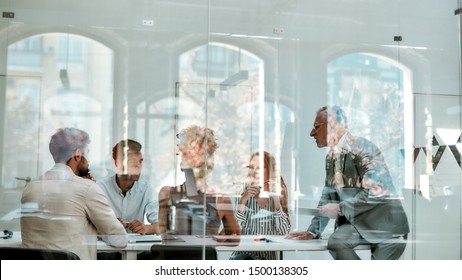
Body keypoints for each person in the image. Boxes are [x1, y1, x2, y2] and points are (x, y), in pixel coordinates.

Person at [286, 105, 409, 260]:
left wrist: (340, 208)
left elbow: (375, 190)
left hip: (387, 228)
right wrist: (313, 230)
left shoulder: (363, 148)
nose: (312, 133)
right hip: (360, 223)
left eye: (316, 127)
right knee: (337, 242)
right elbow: (328, 195)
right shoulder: (331, 156)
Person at [20, 128, 127, 260]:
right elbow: (120, 239)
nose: (88, 161)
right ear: (77, 154)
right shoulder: (87, 188)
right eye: (87, 154)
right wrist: (98, 228)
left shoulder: (30, 187)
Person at [158, 125, 240, 239]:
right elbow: (162, 232)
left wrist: (217, 239)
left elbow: (235, 238)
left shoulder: (221, 199)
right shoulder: (167, 193)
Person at [230, 151, 290, 260]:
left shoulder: (278, 191)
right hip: (243, 256)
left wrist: (276, 201)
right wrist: (243, 201)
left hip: (267, 259)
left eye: (259, 168)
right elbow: (233, 232)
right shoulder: (242, 190)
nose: (254, 172)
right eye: (251, 167)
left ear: (270, 170)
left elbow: (283, 232)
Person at [97, 139, 158, 235]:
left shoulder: (146, 189)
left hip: (138, 249)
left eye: (140, 161)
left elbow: (162, 224)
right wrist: (108, 225)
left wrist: (147, 228)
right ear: (118, 164)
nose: (138, 166)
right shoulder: (100, 188)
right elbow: (88, 225)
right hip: (107, 249)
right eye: (132, 161)